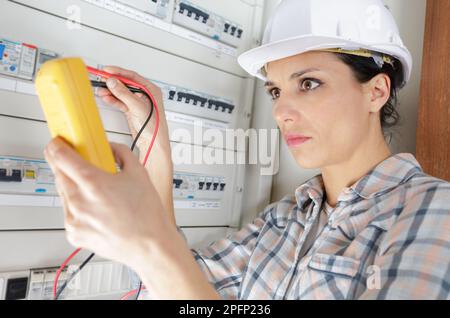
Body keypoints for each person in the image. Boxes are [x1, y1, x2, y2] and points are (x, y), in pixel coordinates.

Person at [44, 0, 450, 299]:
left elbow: (171, 273)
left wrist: (149, 245)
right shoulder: (284, 219)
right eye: (275, 90)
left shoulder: (434, 211)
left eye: (308, 83)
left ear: (376, 91)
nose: (282, 111)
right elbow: (187, 285)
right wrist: (155, 140)